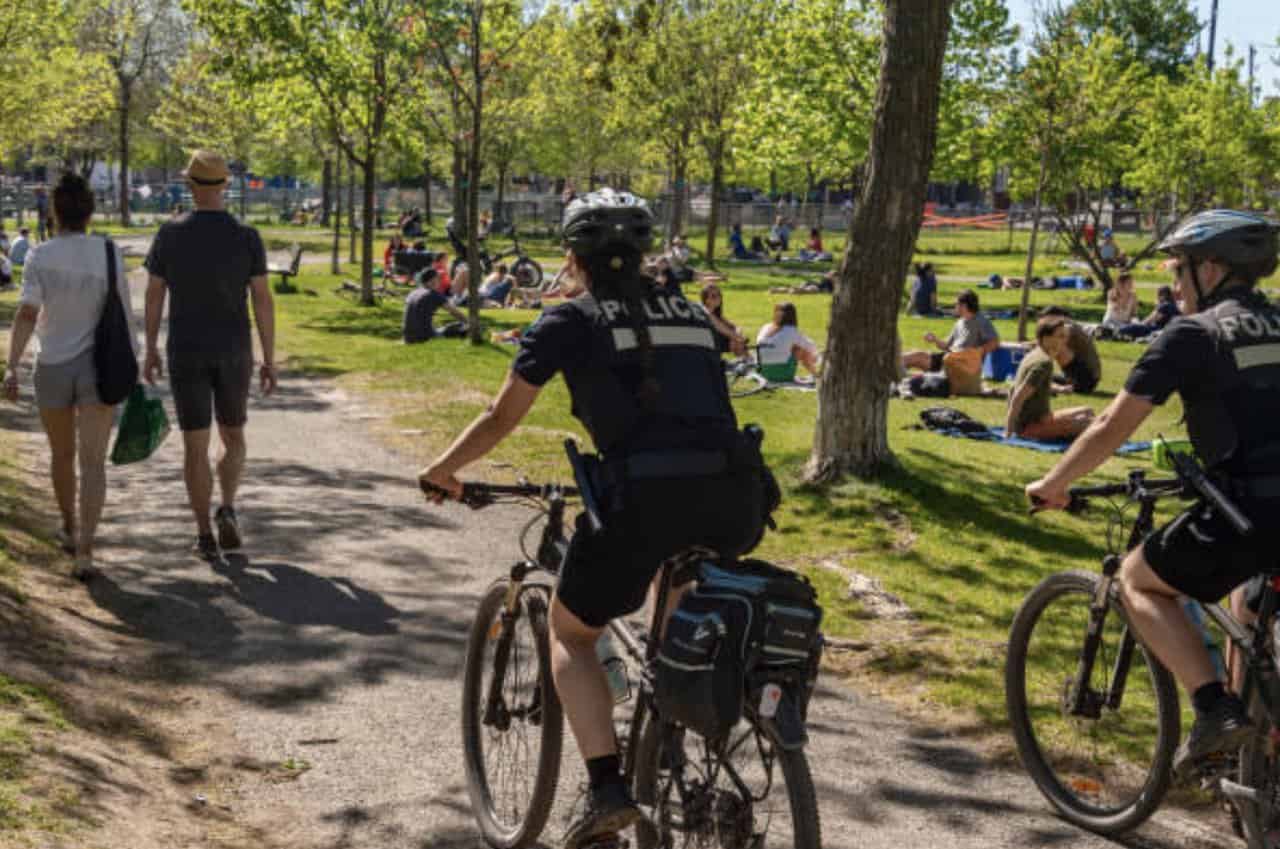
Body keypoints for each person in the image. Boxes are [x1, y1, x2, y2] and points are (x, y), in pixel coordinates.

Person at [419, 189, 767, 849]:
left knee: (572, 632)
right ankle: (669, 741)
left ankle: (607, 788)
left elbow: (500, 417)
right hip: (733, 498)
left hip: (644, 500)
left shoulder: (567, 321)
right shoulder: (692, 313)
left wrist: (443, 468)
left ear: (572, 257)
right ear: (642, 253)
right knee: (674, 612)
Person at [1026, 210, 1280, 777]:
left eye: (1177, 269)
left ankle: (1214, 710)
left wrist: (1054, 484)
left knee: (1137, 579)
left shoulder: (1194, 334)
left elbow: (1111, 425)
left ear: (1210, 269)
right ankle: (1254, 773)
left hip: (1251, 509)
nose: (1173, 284)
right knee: (1246, 606)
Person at [143, 150, 277, 562]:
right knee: (234, 436)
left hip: (187, 348)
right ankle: (228, 507)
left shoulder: (170, 234)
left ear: (190, 185)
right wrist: (269, 358)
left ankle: (204, 533)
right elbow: (262, 299)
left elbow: (154, 294)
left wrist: (150, 348)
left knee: (195, 445)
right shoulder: (247, 236)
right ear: (226, 185)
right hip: (234, 348)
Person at [2, 173, 135, 580]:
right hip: (99, 366)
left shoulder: (40, 256)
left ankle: (69, 525)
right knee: (93, 463)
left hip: (53, 365)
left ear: (54, 212)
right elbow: (124, 314)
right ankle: (86, 550)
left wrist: (11, 366)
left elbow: (28, 312)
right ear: (90, 212)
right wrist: (135, 363)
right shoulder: (109, 252)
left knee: (61, 455)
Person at [1004, 316, 1095, 439]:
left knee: (1088, 411)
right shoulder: (1044, 362)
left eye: (1065, 336)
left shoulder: (1036, 353)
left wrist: (1059, 389)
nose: (1065, 340)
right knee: (1090, 423)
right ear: (1046, 339)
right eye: (1060, 336)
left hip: (1042, 418)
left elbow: (1034, 384)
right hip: (1030, 427)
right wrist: (1008, 432)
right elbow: (1018, 397)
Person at [901, 289, 999, 373]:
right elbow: (947, 346)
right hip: (949, 358)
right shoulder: (960, 322)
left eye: (956, 304)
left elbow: (994, 342)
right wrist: (935, 339)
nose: (954, 306)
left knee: (916, 358)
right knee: (914, 356)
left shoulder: (981, 321)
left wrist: (975, 353)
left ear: (964, 306)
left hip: (961, 365)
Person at [1039, 306, 1102, 393]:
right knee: (1044, 378)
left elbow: (1051, 343)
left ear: (1057, 317)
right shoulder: (1069, 326)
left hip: (1086, 380)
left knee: (1057, 347)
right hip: (1085, 378)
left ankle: (1040, 371)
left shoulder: (1067, 328)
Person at [756, 302, 820, 377]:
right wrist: (815, 356)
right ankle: (817, 375)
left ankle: (816, 375)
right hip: (782, 374)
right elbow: (810, 346)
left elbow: (759, 344)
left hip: (763, 372)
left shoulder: (766, 327)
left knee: (791, 347)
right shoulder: (791, 331)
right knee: (800, 350)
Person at [403, 268, 468, 342]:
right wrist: (470, 323)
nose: (440, 281)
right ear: (433, 280)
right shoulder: (434, 294)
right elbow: (455, 312)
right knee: (460, 327)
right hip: (424, 337)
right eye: (438, 279)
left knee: (446, 327)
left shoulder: (412, 293)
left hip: (407, 338)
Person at [699, 283, 746, 356]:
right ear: (706, 299)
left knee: (735, 339)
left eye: (719, 295)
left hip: (716, 340)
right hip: (706, 342)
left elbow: (733, 326)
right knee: (736, 340)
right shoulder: (704, 310)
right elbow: (719, 326)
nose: (718, 298)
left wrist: (737, 332)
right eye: (713, 296)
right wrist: (736, 337)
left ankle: (746, 358)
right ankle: (747, 359)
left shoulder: (715, 313)